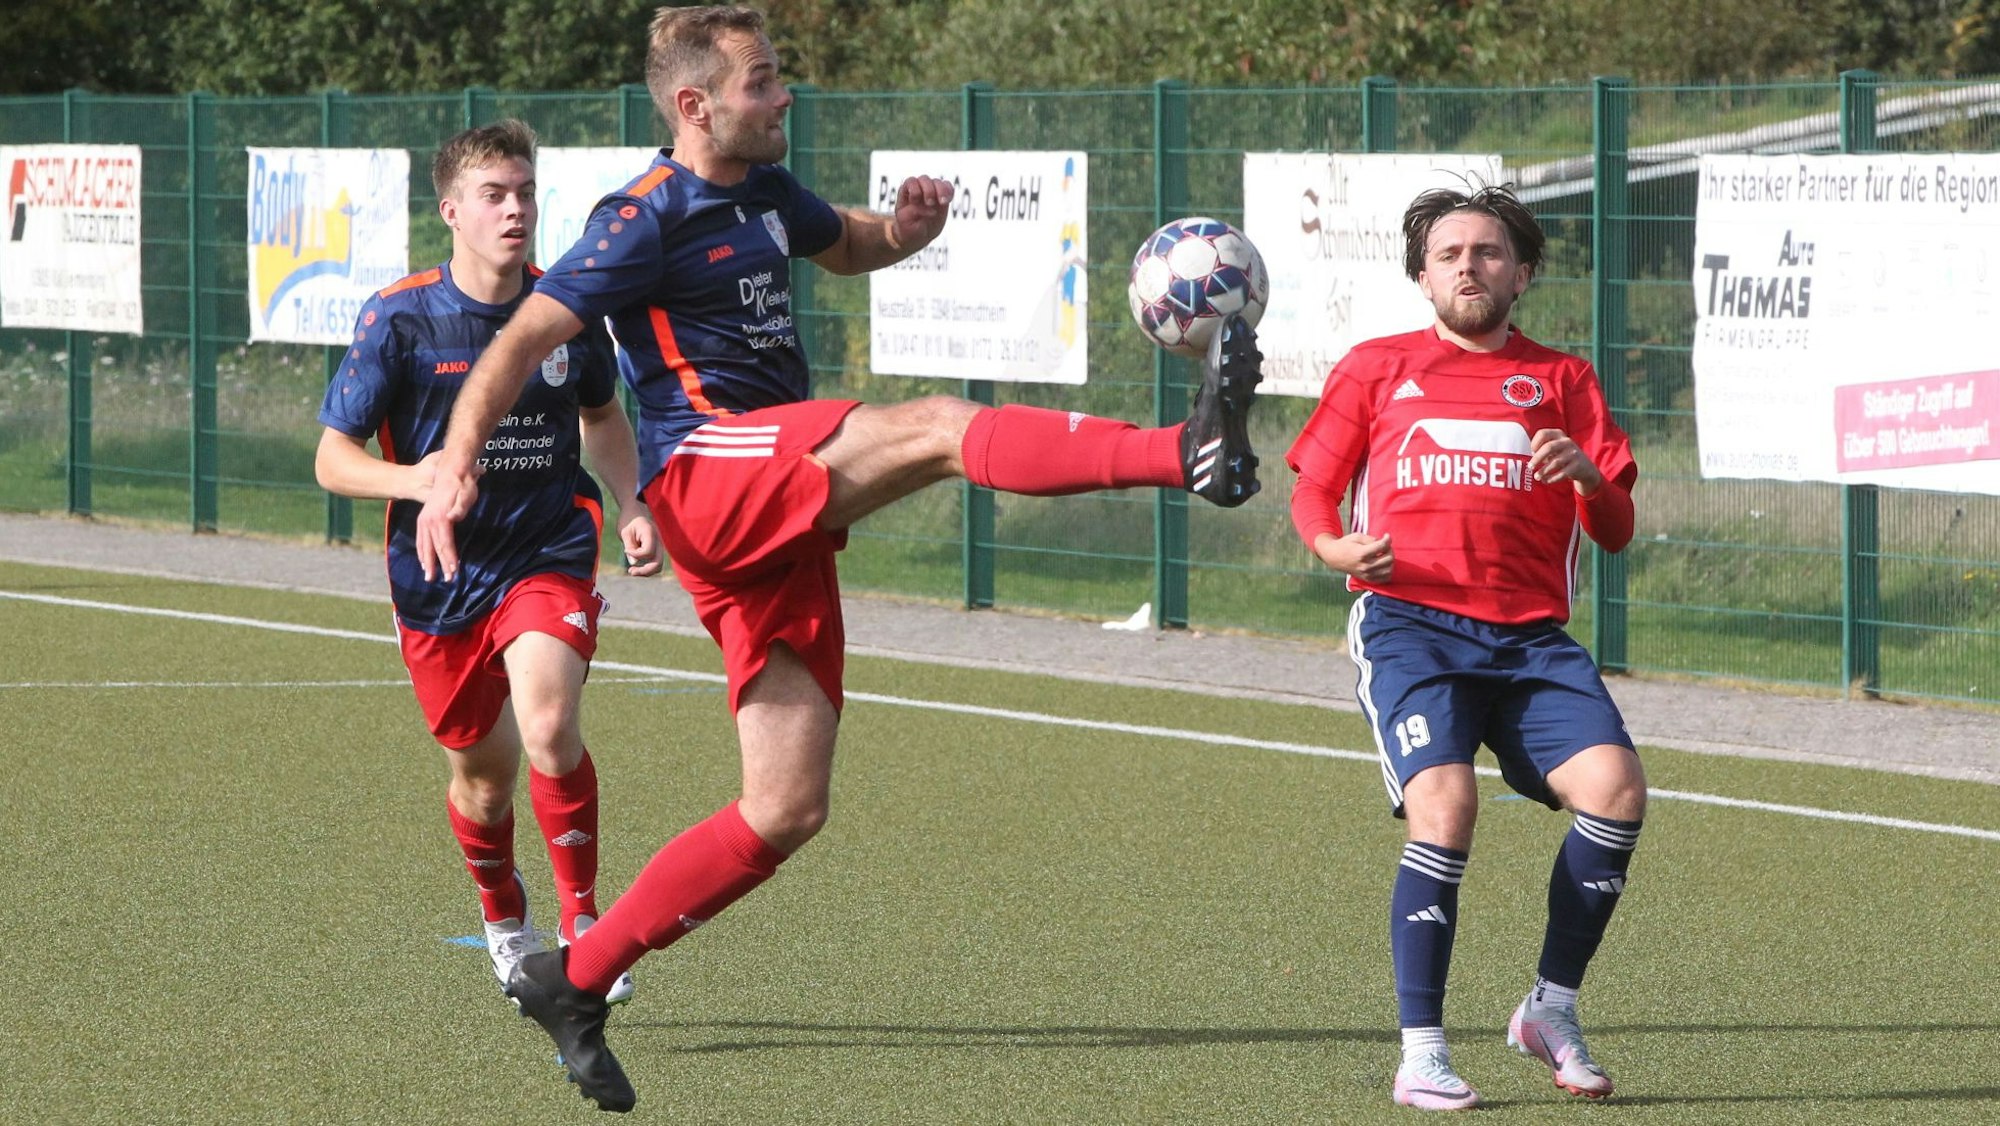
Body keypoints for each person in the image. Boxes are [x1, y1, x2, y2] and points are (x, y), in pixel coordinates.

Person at [411, 5, 1263, 1112]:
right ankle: (1180, 449)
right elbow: (525, 338)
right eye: (762, 81)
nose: (784, 96)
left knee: (784, 805)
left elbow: (848, 246)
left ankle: (575, 977)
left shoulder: (764, 190)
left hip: (769, 503)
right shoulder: (639, 217)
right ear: (694, 103)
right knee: (939, 426)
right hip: (710, 473)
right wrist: (454, 463)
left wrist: (904, 230)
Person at [1285, 184, 1645, 1111]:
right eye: (1448, 255)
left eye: (1487, 253)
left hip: (1529, 638)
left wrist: (1586, 480)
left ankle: (1548, 1011)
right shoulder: (1376, 368)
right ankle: (1423, 1053)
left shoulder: (1563, 381)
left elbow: (1615, 528)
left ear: (1521, 272)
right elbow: (1312, 494)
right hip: (1410, 625)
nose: (1468, 267)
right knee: (1444, 807)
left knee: (1615, 793)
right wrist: (1332, 546)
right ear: (1422, 275)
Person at [314, 119, 661, 1009]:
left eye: (526, 192)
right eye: (495, 196)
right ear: (452, 212)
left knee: (548, 725)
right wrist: (417, 477)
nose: (515, 210)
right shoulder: (399, 318)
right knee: (482, 778)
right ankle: (504, 919)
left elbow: (603, 418)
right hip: (438, 575)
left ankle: (585, 931)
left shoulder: (563, 311)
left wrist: (629, 502)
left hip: (548, 544)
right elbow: (332, 459)